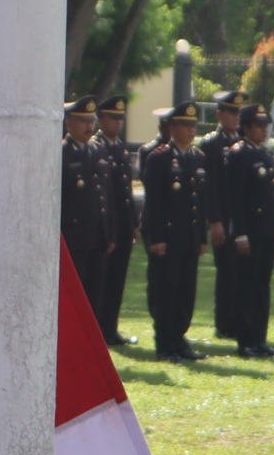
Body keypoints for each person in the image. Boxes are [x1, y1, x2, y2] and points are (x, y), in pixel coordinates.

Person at [141, 102, 212, 361]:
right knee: (166, 291)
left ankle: (179, 338)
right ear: (172, 128)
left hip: (189, 237)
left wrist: (201, 237)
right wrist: (156, 238)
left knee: (185, 291)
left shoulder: (197, 157)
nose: (191, 130)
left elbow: (200, 203)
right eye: (185, 125)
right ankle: (165, 344)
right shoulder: (159, 158)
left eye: (193, 125)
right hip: (168, 238)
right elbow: (154, 203)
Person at [221, 103, 274, 358]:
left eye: (265, 125)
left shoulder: (264, 153)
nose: (263, 130)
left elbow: (273, 197)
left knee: (261, 286)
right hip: (250, 231)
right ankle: (246, 340)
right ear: (245, 127)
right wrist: (240, 234)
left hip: (267, 230)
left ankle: (260, 338)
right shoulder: (239, 154)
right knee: (246, 286)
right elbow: (236, 199)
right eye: (258, 126)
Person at [94, 95, 141, 348]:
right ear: (101, 120)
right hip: (105, 227)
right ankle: (100, 330)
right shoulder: (97, 147)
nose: (118, 122)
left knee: (117, 281)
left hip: (122, 225)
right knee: (102, 280)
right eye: (113, 118)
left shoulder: (121, 148)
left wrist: (133, 224)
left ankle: (111, 328)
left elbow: (126, 192)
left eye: (121, 118)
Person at [198, 91, 245, 340]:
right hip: (224, 219)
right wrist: (214, 221)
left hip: (242, 219)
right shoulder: (211, 144)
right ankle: (224, 323)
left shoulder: (243, 141)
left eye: (238, 112)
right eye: (231, 112)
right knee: (226, 271)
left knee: (242, 272)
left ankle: (239, 320)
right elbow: (210, 186)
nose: (236, 117)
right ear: (219, 114)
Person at [59, 99, 111, 312]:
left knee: (96, 294)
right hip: (74, 237)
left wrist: (109, 232)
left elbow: (106, 196)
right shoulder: (61, 153)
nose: (89, 126)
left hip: (98, 236)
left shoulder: (98, 151)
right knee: (75, 295)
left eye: (91, 121)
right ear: (69, 123)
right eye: (83, 121)